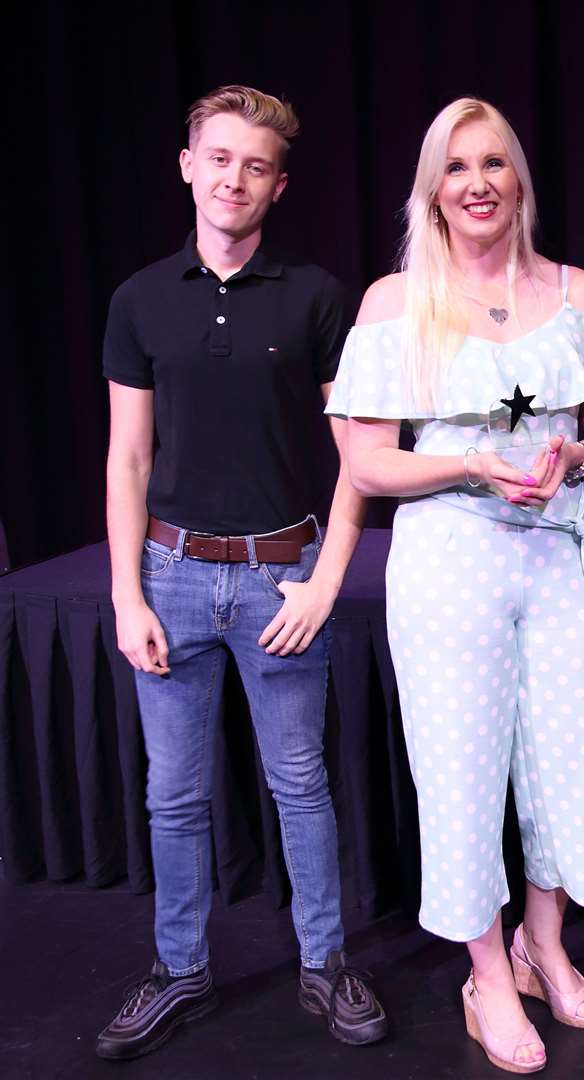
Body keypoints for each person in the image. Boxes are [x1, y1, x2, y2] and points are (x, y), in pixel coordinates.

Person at [329, 97, 584, 1074]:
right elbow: (369, 466)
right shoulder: (392, 304)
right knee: (460, 775)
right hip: (449, 559)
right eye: (457, 167)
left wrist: (573, 455)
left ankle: (541, 946)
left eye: (494, 164)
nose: (477, 183)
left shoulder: (576, 291)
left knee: (572, 760)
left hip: (558, 557)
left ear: (519, 182)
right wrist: (467, 468)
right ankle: (485, 981)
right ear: (433, 189)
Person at [99, 85, 387, 1059]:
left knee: (299, 783)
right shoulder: (138, 300)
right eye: (218, 158)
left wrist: (324, 580)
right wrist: (126, 591)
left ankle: (324, 964)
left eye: (255, 165)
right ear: (187, 165)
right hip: (170, 574)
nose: (234, 178)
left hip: (280, 578)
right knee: (172, 795)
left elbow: (359, 452)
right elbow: (127, 457)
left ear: (278, 185)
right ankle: (178, 970)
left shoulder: (313, 296)